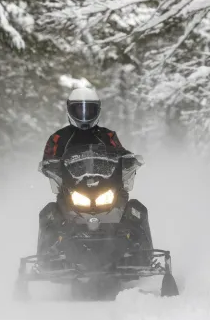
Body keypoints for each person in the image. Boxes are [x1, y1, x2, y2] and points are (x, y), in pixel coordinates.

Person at [36, 86, 147, 259]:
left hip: (108, 188)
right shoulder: (59, 138)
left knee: (136, 209)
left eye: (89, 109)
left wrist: (130, 160)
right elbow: (48, 158)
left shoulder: (107, 135)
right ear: (70, 109)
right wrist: (48, 166)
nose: (84, 114)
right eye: (79, 109)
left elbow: (121, 152)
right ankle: (50, 255)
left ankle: (140, 250)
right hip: (73, 190)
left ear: (98, 110)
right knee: (49, 213)